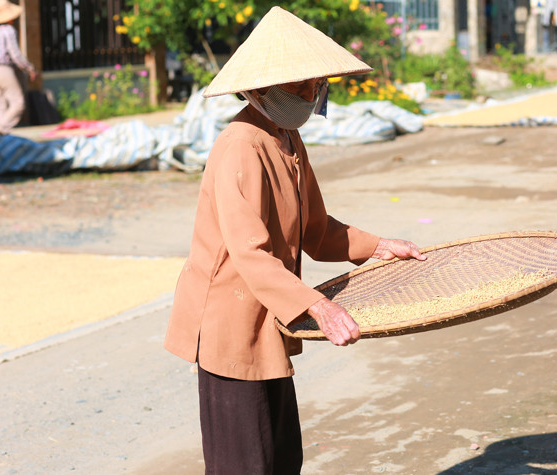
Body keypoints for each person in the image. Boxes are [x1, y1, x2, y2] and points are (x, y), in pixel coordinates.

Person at [164, 6, 426, 474]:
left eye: (314, 87)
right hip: (230, 323)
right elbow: (250, 252)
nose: (309, 96)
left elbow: (318, 232)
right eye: (298, 88)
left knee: (282, 458)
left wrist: (381, 245)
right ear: (260, 90)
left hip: (269, 318)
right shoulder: (241, 144)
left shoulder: (287, 138)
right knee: (244, 464)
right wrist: (319, 306)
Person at [0, 0, 37, 138]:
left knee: (0, 105)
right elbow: (15, 55)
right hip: (3, 69)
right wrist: (29, 69)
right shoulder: (7, 30)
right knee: (18, 102)